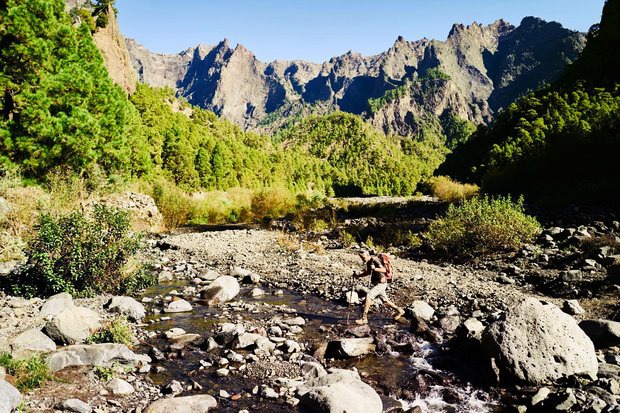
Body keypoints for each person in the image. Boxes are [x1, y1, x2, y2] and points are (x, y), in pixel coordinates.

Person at [352, 250, 405, 325]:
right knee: (385, 301)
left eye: (363, 257)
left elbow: (384, 270)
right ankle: (400, 310)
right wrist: (358, 276)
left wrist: (375, 269)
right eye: (361, 258)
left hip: (381, 284)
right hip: (379, 284)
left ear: (367, 255)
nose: (363, 259)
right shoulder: (369, 262)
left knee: (369, 296)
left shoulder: (375, 260)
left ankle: (364, 318)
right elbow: (367, 272)